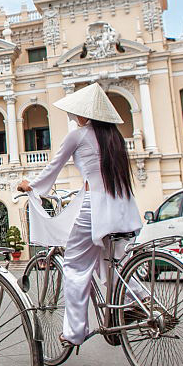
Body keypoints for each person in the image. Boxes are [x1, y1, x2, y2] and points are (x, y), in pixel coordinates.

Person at [16, 82, 142, 350]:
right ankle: (136, 304)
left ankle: (74, 332)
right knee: (112, 261)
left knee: (74, 265)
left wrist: (32, 186)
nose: (73, 117)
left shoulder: (79, 135)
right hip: (124, 208)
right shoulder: (114, 138)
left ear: (86, 114)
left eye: (76, 113)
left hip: (95, 209)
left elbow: (53, 167)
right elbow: (100, 175)